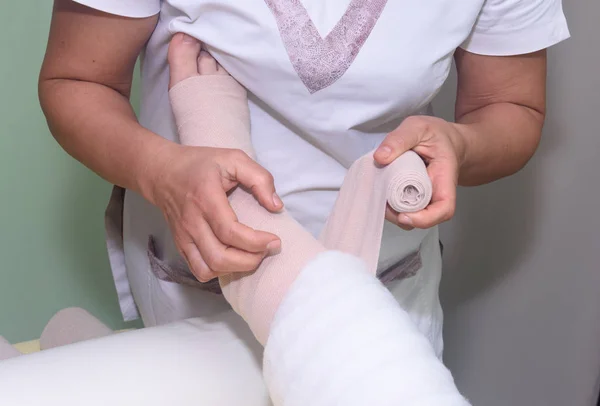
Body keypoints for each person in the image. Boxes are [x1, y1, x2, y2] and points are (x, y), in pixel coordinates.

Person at [39, 0, 570, 357]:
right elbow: (75, 80)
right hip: (202, 294)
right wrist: (160, 171)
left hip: (382, 297)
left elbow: (510, 105)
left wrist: (461, 145)